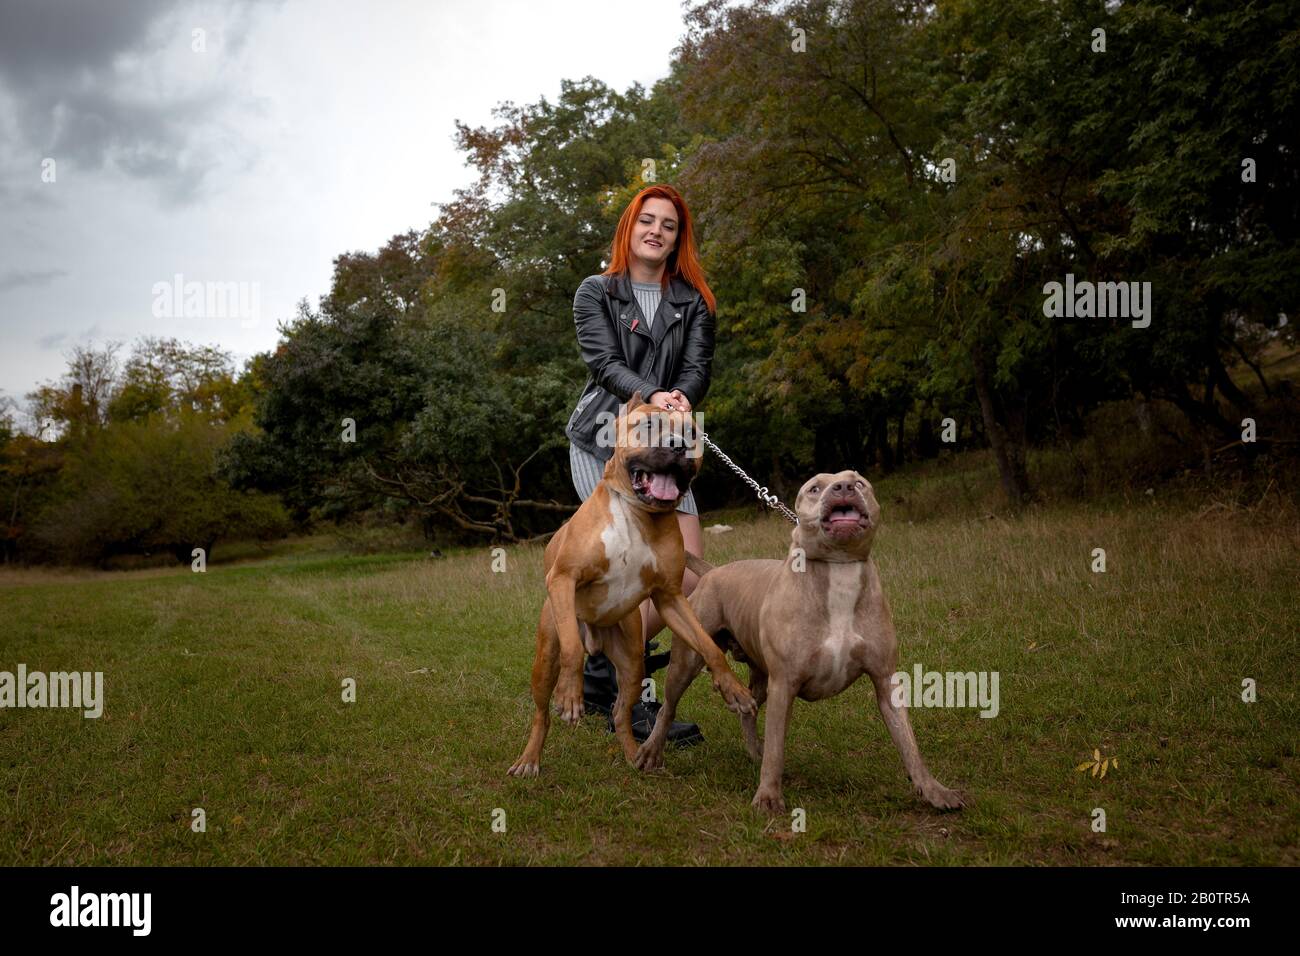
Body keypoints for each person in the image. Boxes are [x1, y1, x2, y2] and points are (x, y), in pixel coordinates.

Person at [564, 183, 718, 747]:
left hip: (669, 446)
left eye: (669, 224)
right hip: (606, 438)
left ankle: (598, 654)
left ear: (680, 237)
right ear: (630, 228)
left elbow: (699, 367)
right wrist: (653, 392)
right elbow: (604, 363)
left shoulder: (694, 299)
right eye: (647, 220)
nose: (657, 230)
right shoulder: (596, 292)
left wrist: (681, 395)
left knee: (687, 572)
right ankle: (628, 700)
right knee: (627, 565)